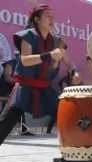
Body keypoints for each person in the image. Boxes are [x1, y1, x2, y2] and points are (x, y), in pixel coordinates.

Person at [0, 4, 73, 142]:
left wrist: (74, 72)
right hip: (25, 86)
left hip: (45, 88)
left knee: (66, 113)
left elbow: (68, 62)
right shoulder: (28, 35)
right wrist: (50, 55)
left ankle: (76, 151)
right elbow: (25, 60)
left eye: (53, 16)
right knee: (8, 120)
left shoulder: (56, 40)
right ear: (37, 20)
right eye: (47, 16)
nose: (52, 19)